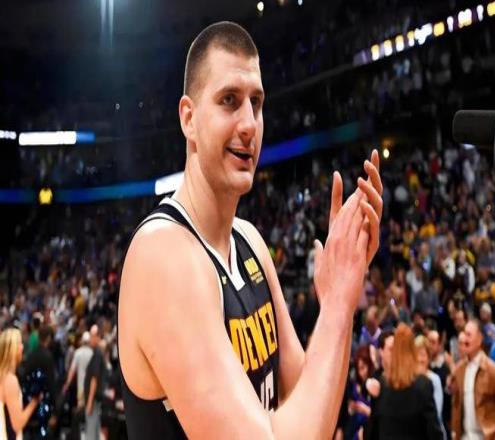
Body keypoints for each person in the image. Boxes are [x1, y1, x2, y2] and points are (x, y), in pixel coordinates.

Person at [118, 21, 383, 439]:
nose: (249, 124)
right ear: (188, 118)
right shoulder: (163, 256)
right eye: (229, 100)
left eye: (256, 103)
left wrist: (340, 294)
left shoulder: (249, 242)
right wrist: (337, 306)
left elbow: (310, 411)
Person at [366, 323, 443, 440]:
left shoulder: (381, 386)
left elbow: (371, 434)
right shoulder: (423, 385)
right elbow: (434, 433)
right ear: (412, 350)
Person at [450, 319, 495, 440]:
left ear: (479, 339)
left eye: (469, 335)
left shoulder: (492, 370)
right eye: (464, 333)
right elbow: (456, 405)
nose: (464, 339)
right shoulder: (459, 369)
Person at [0, 328, 41, 439]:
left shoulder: (3, 377)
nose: (22, 347)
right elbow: (17, 424)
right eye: (19, 343)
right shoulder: (10, 380)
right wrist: (35, 401)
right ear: (12, 349)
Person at [415, 335, 446, 437]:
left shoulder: (434, 379)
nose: (420, 359)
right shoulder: (409, 379)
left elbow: (437, 412)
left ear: (428, 357)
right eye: (417, 354)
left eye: (423, 355)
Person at [84, 324, 106, 440]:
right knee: (94, 433)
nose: (90, 339)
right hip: (94, 400)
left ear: (98, 337)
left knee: (91, 435)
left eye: (93, 336)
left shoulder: (97, 354)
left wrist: (89, 401)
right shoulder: (96, 353)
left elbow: (94, 379)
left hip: (93, 400)